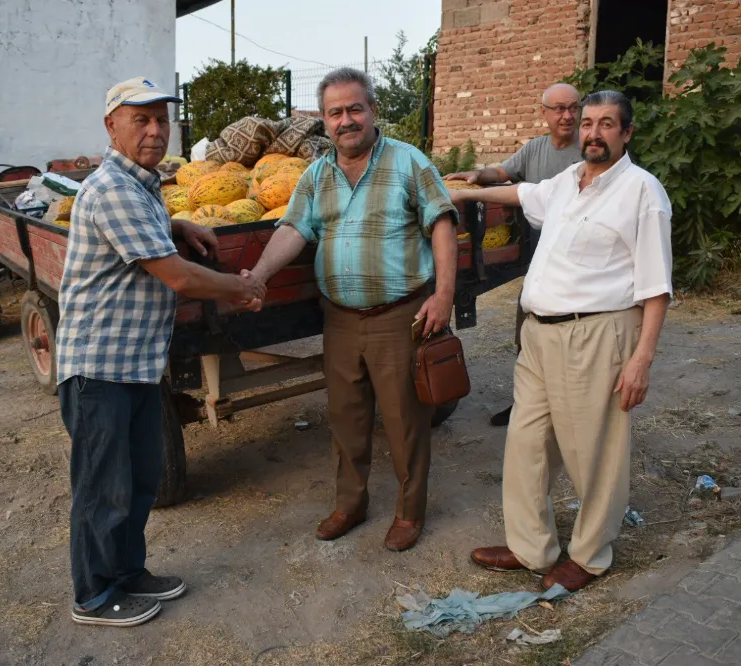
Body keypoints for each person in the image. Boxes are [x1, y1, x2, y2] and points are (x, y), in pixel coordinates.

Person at [55, 77, 265, 627]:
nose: (154, 130)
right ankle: (93, 595)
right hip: (98, 368)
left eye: (160, 120)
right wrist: (242, 289)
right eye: (140, 120)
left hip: (135, 363)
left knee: (141, 477)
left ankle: (128, 572)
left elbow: (148, 231)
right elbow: (175, 276)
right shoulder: (113, 190)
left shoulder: (141, 186)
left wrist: (176, 220)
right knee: (104, 488)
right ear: (111, 127)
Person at [448, 90, 672, 592]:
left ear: (627, 133)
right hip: (538, 336)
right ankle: (531, 546)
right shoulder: (567, 182)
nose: (593, 132)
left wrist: (642, 359)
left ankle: (591, 555)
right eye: (588, 123)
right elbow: (521, 195)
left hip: (596, 335)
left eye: (607, 123)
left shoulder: (642, 192)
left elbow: (657, 287)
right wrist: (466, 193)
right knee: (527, 444)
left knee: (593, 449)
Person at [248, 68, 458, 552]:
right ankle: (351, 503)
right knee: (345, 419)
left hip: (397, 316)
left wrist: (443, 295)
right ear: (323, 121)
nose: (346, 120)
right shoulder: (316, 175)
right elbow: (293, 228)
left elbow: (442, 224)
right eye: (335, 112)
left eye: (354, 108)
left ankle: (409, 512)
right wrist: (258, 275)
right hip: (340, 318)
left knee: (405, 421)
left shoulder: (408, 162)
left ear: (373, 111)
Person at [445, 82, 582, 427]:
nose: (567, 116)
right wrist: (478, 175)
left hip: (581, 265)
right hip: (541, 262)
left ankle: (571, 410)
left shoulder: (591, 149)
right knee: (528, 331)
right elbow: (505, 174)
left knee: (575, 338)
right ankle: (527, 403)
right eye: (559, 109)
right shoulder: (536, 149)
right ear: (545, 114)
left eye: (573, 108)